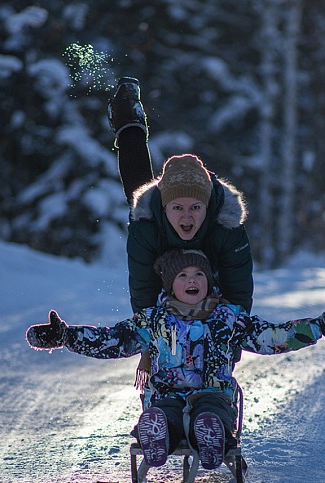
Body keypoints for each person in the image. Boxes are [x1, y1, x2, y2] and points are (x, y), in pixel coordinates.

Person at [26, 249, 325, 471]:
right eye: (183, 275)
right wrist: (68, 336)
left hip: (214, 394)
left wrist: (320, 327)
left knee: (211, 412)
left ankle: (210, 437)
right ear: (171, 285)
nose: (191, 280)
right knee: (164, 414)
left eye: (198, 275)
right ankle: (158, 436)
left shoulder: (229, 318)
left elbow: (272, 337)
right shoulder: (153, 319)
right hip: (167, 394)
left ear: (209, 282)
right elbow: (115, 340)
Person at [107, 77, 253, 314]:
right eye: (177, 208)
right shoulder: (146, 226)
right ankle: (127, 116)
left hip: (208, 269)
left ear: (208, 208)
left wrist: (228, 341)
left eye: (195, 208)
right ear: (164, 209)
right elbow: (143, 291)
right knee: (138, 190)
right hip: (155, 215)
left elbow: (239, 294)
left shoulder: (227, 227)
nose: (187, 217)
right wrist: (150, 339)